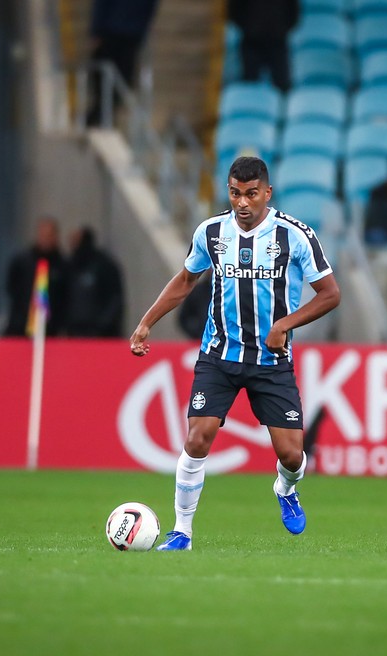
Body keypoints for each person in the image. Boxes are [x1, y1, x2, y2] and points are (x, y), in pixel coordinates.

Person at [129, 156, 340, 551]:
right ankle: (182, 532)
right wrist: (146, 322)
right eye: (235, 193)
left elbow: (331, 294)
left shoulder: (295, 236)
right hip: (219, 355)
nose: (242, 203)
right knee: (197, 438)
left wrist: (285, 325)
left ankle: (285, 489)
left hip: (271, 361)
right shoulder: (211, 232)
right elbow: (186, 279)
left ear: (267, 193)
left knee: (293, 455)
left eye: (251, 194)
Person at [86, 0, 160, 125]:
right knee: (106, 78)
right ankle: (101, 114)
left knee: (116, 80)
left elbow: (149, 10)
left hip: (123, 34)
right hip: (118, 34)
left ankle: (102, 114)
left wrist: (96, 31)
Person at [4, 217, 67, 337]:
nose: (45, 239)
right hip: (21, 326)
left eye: (49, 235)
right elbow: (12, 289)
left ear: (56, 237)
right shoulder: (22, 262)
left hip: (52, 329)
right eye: (43, 235)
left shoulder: (63, 265)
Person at [64, 226, 124, 337]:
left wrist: (102, 326)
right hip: (73, 334)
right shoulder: (68, 266)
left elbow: (114, 300)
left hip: (102, 335)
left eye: (75, 240)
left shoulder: (105, 266)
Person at [228, 0, 299, 92]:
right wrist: (249, 29)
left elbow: (293, 11)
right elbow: (234, 10)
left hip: (278, 42)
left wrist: (281, 30)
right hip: (251, 42)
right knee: (249, 84)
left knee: (282, 84)